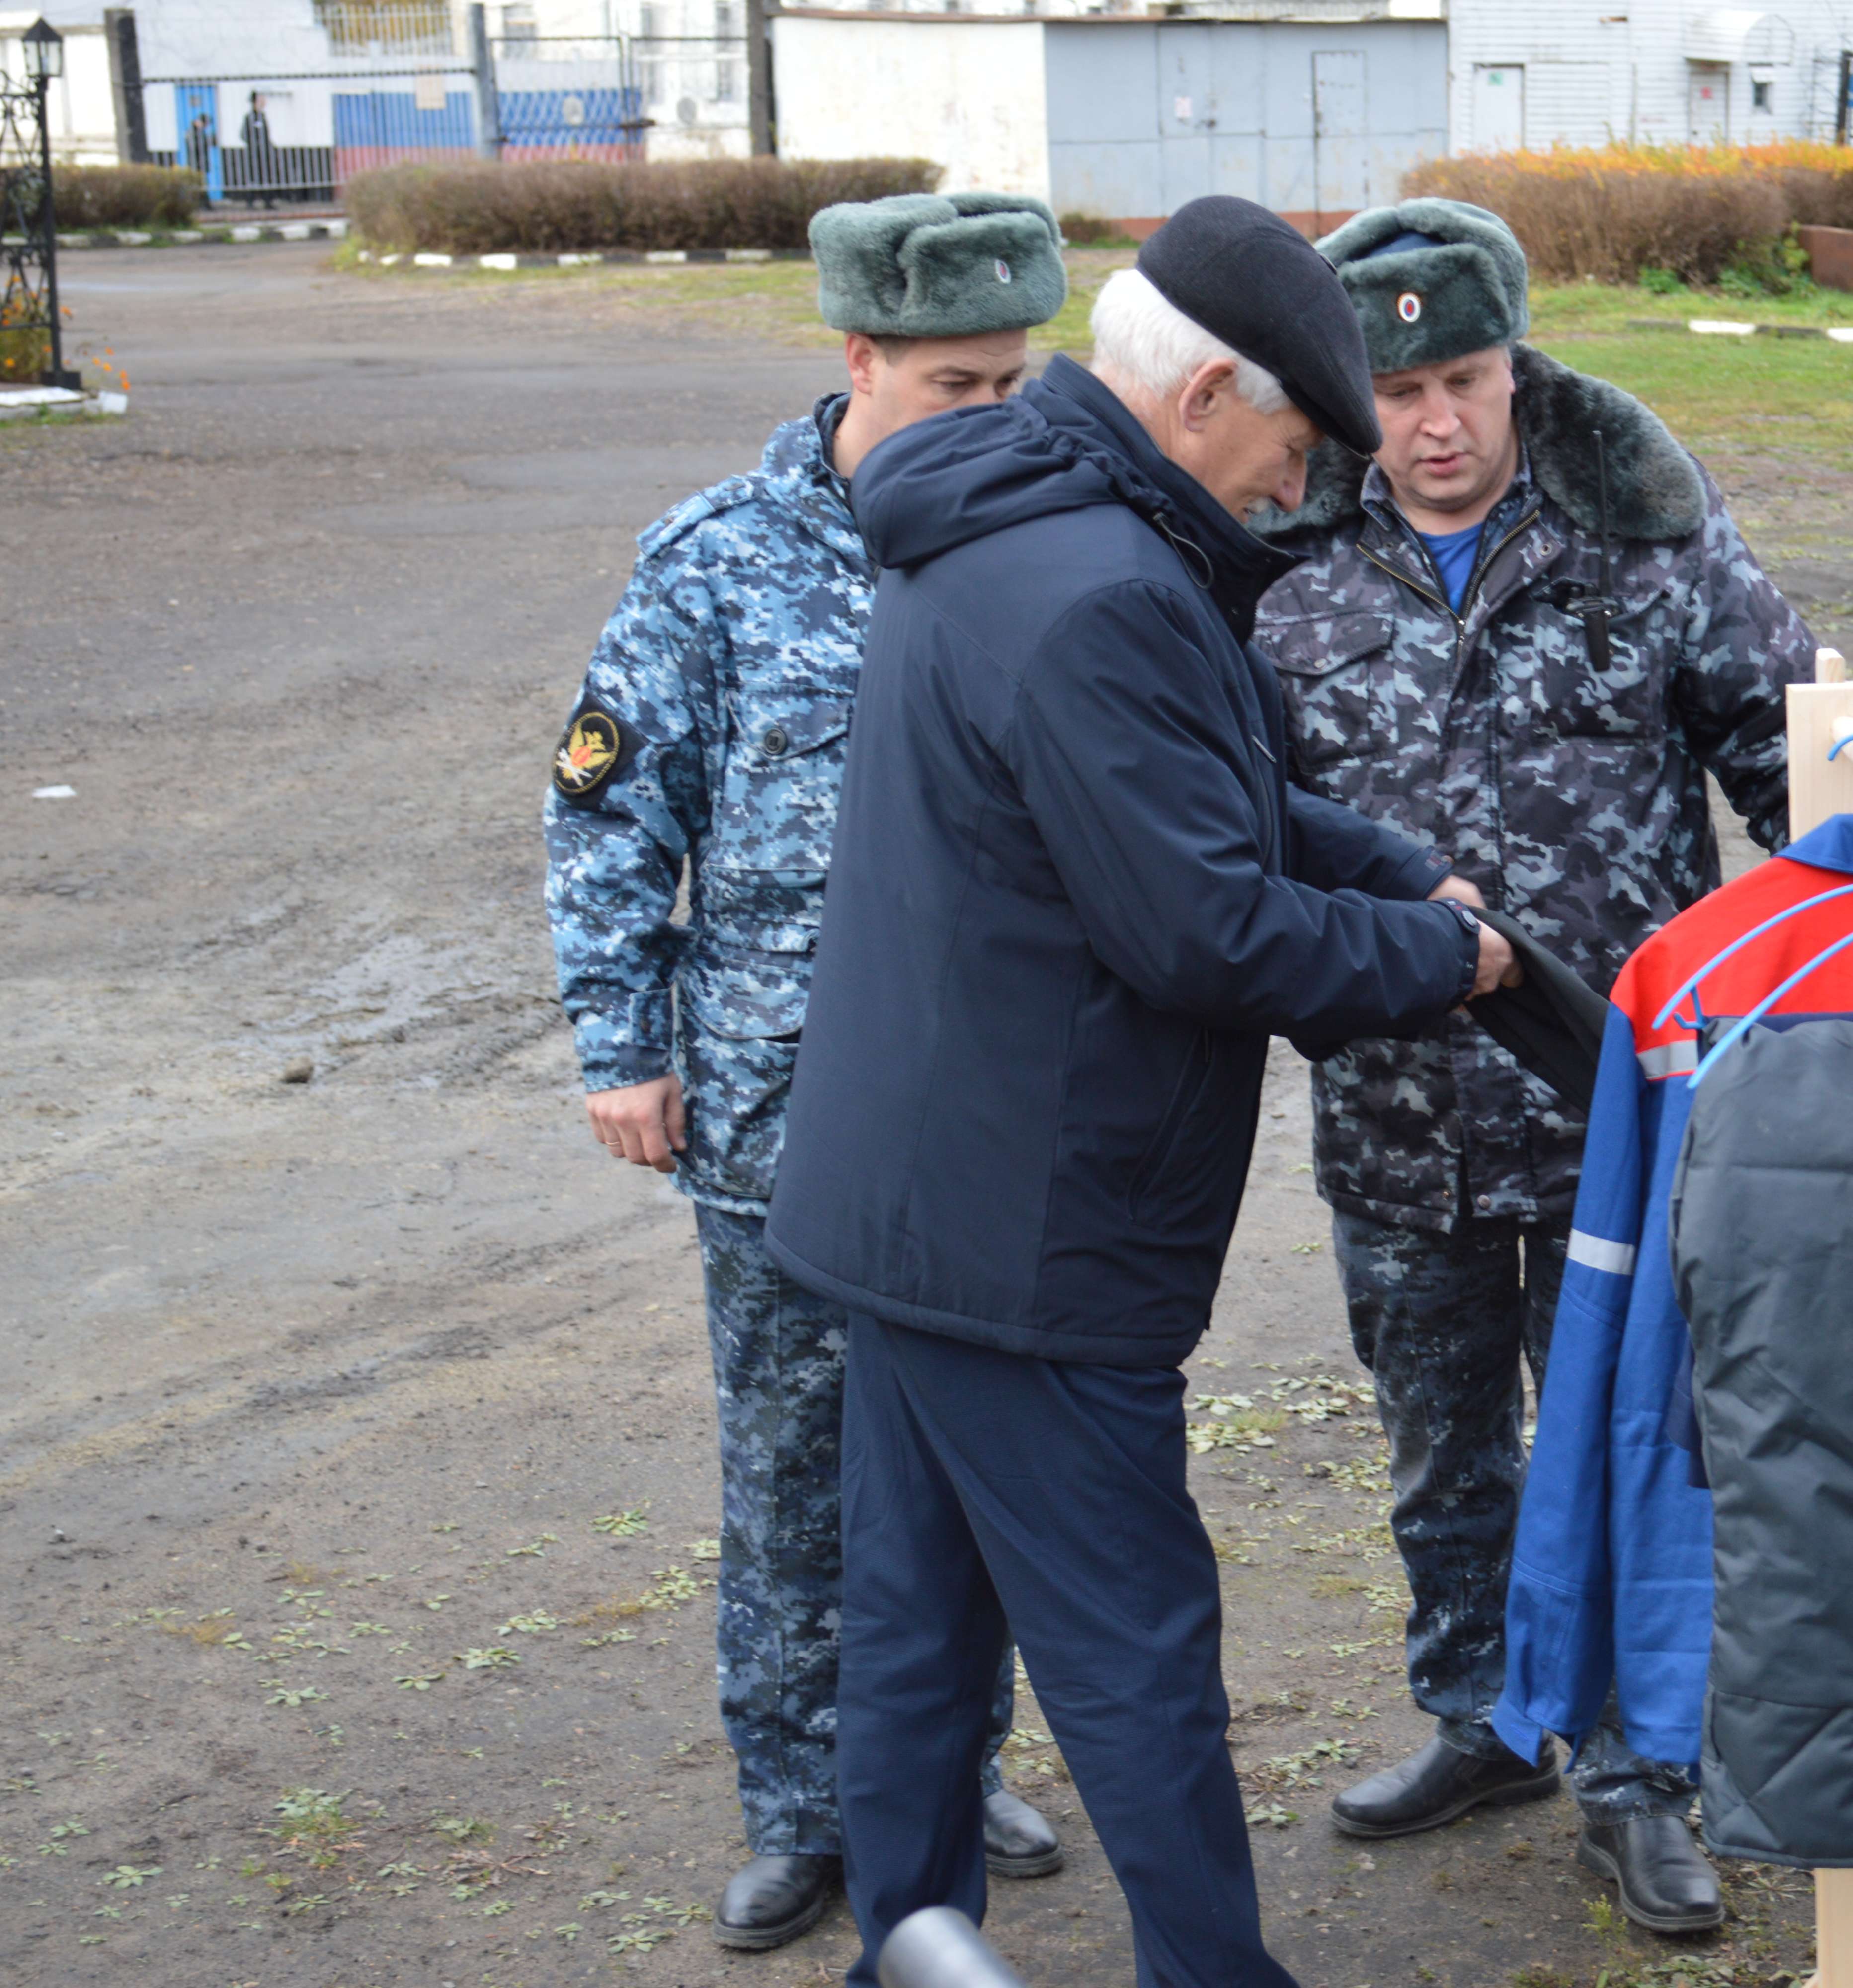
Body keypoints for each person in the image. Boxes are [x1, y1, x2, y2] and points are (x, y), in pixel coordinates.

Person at [761, 195, 1519, 1988]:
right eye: (1298, 441)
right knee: (1135, 1644)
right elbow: (1202, 927)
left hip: (917, 1204)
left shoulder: (1041, 533)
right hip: (1033, 1232)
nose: (1306, 484)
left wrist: (1385, 863)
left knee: (923, 1622)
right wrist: (1445, 955)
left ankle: (914, 1944)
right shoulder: (1105, 586)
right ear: (1205, 402)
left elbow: (1188, 796)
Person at [1252, 196, 1814, 1934]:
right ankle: (1484, 1718)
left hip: (1618, 1104)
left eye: (1469, 380)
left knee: (1633, 1436)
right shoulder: (1282, 565)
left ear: (1520, 372)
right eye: (1399, 388)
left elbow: (1795, 765)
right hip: (1396, 1101)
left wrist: (1829, 988)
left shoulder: (1645, 544)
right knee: (1443, 1444)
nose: (1436, 424)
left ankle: (1647, 1777)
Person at [541, 190, 1072, 1954]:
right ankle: (794, 1803)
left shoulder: (1040, 534)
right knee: (788, 1472)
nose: (992, 417)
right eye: (950, 384)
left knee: (958, 1464)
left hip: (976, 1101)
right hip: (777, 1101)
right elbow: (614, 818)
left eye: (1015, 379)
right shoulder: (717, 559)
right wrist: (622, 1048)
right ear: (857, 360)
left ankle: (951, 1768)